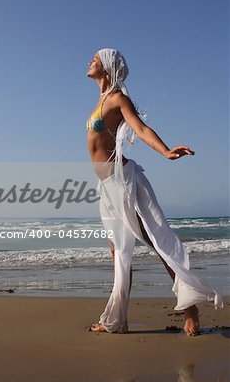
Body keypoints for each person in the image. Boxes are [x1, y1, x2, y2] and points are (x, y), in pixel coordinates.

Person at [86, 48, 223, 335]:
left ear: (108, 67)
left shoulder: (117, 99)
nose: (90, 62)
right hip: (106, 185)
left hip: (122, 179)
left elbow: (140, 126)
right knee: (118, 251)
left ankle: (190, 307)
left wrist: (165, 151)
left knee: (156, 240)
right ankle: (118, 320)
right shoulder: (100, 99)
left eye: (95, 60)